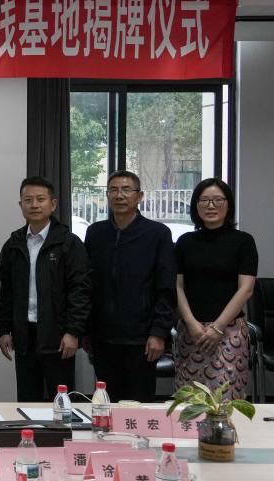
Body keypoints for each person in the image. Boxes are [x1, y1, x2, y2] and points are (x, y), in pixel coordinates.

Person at [0, 176, 91, 402]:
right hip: (24, 336)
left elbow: (80, 291)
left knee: (61, 402)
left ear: (53, 204)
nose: (34, 205)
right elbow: (6, 291)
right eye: (28, 200)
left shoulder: (69, 243)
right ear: (21, 205)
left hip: (59, 336)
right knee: (28, 400)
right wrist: (4, 330)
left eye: (40, 199)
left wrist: (73, 332)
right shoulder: (14, 244)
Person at [84, 171, 176, 403]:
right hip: (102, 338)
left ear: (139, 196)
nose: (119, 195)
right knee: (106, 404)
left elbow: (166, 288)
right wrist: (85, 331)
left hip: (142, 339)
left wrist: (159, 333)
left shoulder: (157, 234)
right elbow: (86, 285)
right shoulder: (95, 233)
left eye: (126, 190)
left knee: (138, 406)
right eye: (113, 190)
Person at [174, 178, 257, 400]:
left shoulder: (243, 241)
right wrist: (191, 323)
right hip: (191, 332)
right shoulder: (184, 242)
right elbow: (177, 286)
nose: (211, 206)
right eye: (205, 200)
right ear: (196, 205)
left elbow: (246, 289)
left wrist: (218, 327)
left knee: (226, 400)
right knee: (190, 401)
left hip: (229, 332)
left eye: (217, 200)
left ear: (228, 204)